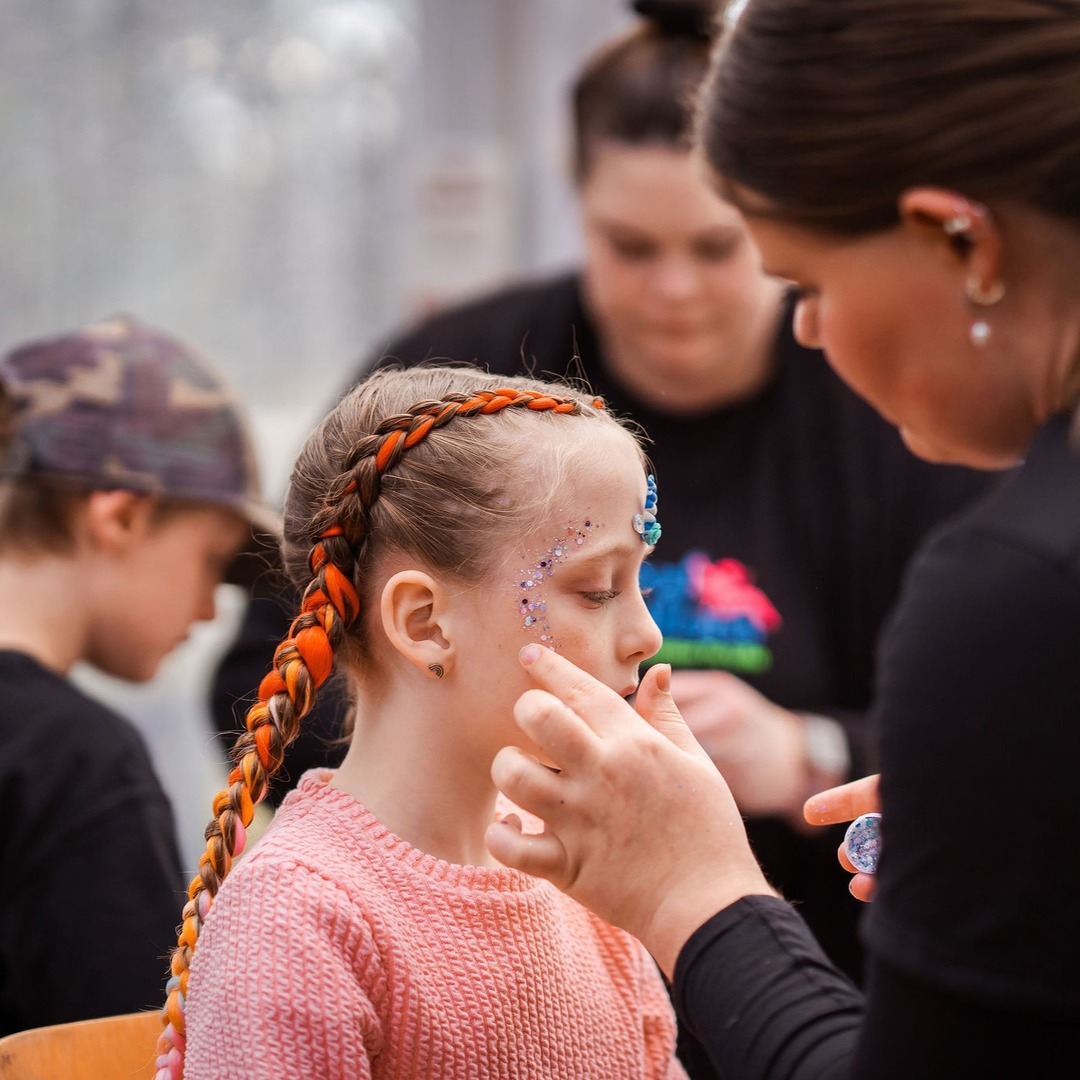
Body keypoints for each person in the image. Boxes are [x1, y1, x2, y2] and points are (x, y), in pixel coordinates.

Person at [210, 0, 996, 1003]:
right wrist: (483, 751)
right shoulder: (453, 383)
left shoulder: (887, 408)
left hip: (818, 994)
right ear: (575, 206)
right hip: (481, 977)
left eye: (717, 249)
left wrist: (816, 749)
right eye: (630, 246)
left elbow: (1010, 706)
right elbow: (272, 663)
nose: (674, 287)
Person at [485, 0, 1080, 1075]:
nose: (804, 328)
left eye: (802, 281)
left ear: (960, 238)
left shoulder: (1019, 593)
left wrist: (690, 889)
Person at [156, 366, 688, 1080]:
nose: (647, 634)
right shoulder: (293, 921)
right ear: (426, 622)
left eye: (641, 584)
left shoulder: (582, 865)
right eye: (596, 591)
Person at [0, 315, 276, 1036]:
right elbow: (127, 1052)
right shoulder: (75, 763)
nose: (212, 608)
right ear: (119, 517)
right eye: (213, 561)